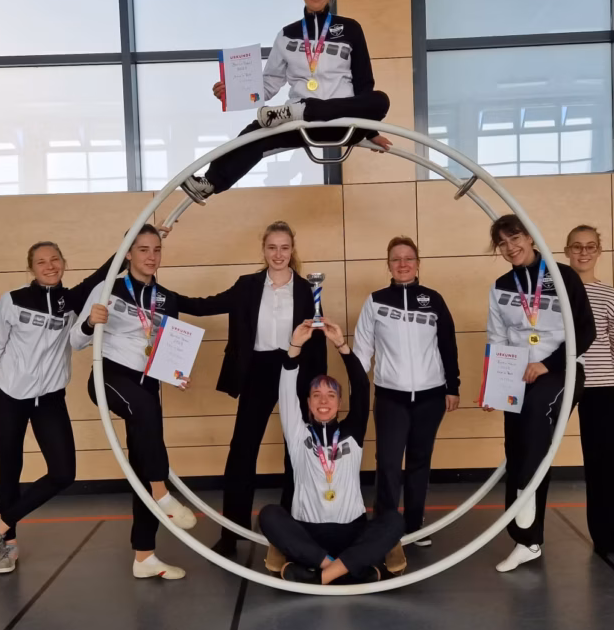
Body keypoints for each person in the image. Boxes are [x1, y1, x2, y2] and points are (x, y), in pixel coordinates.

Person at [181, 0, 392, 204]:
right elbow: (269, 84)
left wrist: (371, 131)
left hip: (343, 123)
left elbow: (364, 85)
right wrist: (234, 92)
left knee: (380, 100)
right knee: (253, 134)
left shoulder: (350, 29)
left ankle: (301, 109)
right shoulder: (286, 35)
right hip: (298, 125)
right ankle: (210, 183)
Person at [176, 221, 327, 559]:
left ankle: (292, 528)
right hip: (257, 371)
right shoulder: (247, 285)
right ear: (263, 250)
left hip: (295, 370)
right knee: (242, 451)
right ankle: (231, 533)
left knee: (296, 451)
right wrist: (165, 297)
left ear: (292, 250)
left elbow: (316, 342)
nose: (278, 254)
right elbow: (205, 305)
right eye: (272, 247)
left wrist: (319, 386)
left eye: (284, 248)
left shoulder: (307, 290)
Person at [71, 224, 197, 581]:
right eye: (143, 249)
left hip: (146, 384)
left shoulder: (164, 297)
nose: (151, 256)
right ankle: (162, 493)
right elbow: (76, 342)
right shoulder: (107, 288)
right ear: (127, 253)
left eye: (156, 249)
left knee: (144, 459)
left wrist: (176, 372)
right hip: (109, 377)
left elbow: (166, 348)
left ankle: (144, 557)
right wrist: (89, 323)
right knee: (144, 411)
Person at [0, 241, 115, 574]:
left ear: (64, 263)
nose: (50, 265)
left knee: (63, 473)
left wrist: (135, 238)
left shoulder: (72, 301)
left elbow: (104, 274)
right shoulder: (12, 301)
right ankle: (8, 545)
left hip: (50, 398)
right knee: (10, 470)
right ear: (31, 268)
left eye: (55, 259)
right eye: (41, 262)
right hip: (9, 396)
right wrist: (18, 378)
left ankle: (1, 523)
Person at [483, 214, 596, 573]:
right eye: (502, 243)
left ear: (530, 238)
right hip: (518, 375)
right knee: (517, 446)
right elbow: (498, 339)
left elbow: (586, 331)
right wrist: (495, 387)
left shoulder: (563, 277)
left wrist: (547, 364)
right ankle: (527, 540)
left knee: (535, 416)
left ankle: (524, 498)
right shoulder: (502, 286)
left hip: (562, 370)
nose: (510, 247)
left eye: (515, 238)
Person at [259, 319, 405, 585]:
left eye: (331, 395)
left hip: (352, 532)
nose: (323, 400)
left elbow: (362, 387)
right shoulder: (298, 433)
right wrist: (294, 347)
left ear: (339, 402)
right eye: (316, 395)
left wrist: (341, 345)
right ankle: (344, 570)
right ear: (308, 403)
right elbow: (286, 390)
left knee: (394, 520)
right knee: (269, 515)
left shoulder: (352, 432)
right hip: (308, 533)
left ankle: (317, 576)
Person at [353, 236, 459, 549]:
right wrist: (358, 390)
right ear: (388, 264)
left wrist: (453, 387)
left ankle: (414, 525)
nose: (403, 264)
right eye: (396, 259)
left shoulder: (434, 300)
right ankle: (384, 527)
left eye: (409, 258)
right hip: (391, 397)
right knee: (387, 463)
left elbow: (447, 346)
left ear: (418, 263)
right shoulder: (375, 301)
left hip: (430, 397)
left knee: (419, 462)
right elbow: (362, 349)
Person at [564, 224, 614, 555]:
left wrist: (607, 378)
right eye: (577, 246)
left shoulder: (612, 297)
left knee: (602, 463)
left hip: (600, 388)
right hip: (560, 384)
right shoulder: (554, 294)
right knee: (535, 454)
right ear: (567, 251)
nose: (583, 252)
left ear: (599, 251)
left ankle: (610, 539)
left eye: (590, 246)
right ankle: (530, 540)